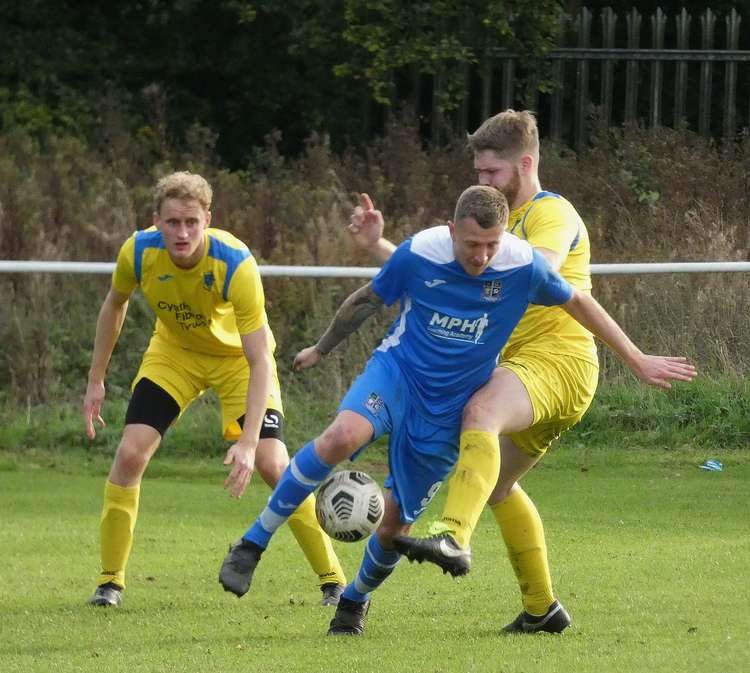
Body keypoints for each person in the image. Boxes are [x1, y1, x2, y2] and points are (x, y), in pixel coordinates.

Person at [218, 185, 695, 636]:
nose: (481, 256)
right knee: (341, 437)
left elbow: (578, 302)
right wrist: (322, 349)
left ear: (505, 236)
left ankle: (355, 597)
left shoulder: (523, 266)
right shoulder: (419, 253)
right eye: (471, 244)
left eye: (491, 244)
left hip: (449, 410)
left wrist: (636, 358)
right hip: (399, 375)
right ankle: (252, 543)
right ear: (450, 230)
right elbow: (367, 300)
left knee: (395, 522)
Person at [349, 109, 695, 633]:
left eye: (491, 174)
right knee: (496, 487)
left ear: (525, 163)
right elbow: (459, 271)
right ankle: (543, 610)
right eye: (478, 173)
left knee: (479, 411)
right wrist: (380, 247)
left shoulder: (552, 214)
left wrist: (637, 358)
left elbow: (540, 271)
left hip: (558, 362)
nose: (481, 182)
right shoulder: (494, 227)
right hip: (527, 370)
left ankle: (452, 535)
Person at [84, 171, 346, 608]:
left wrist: (247, 442)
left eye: (191, 222)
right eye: (171, 222)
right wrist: (96, 380)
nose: (181, 232)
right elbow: (115, 303)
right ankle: (109, 583)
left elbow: (260, 358)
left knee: (273, 465)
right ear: (156, 220)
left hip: (238, 363)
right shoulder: (139, 251)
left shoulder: (234, 262)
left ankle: (333, 581)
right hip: (175, 354)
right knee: (130, 454)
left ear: (208, 219)